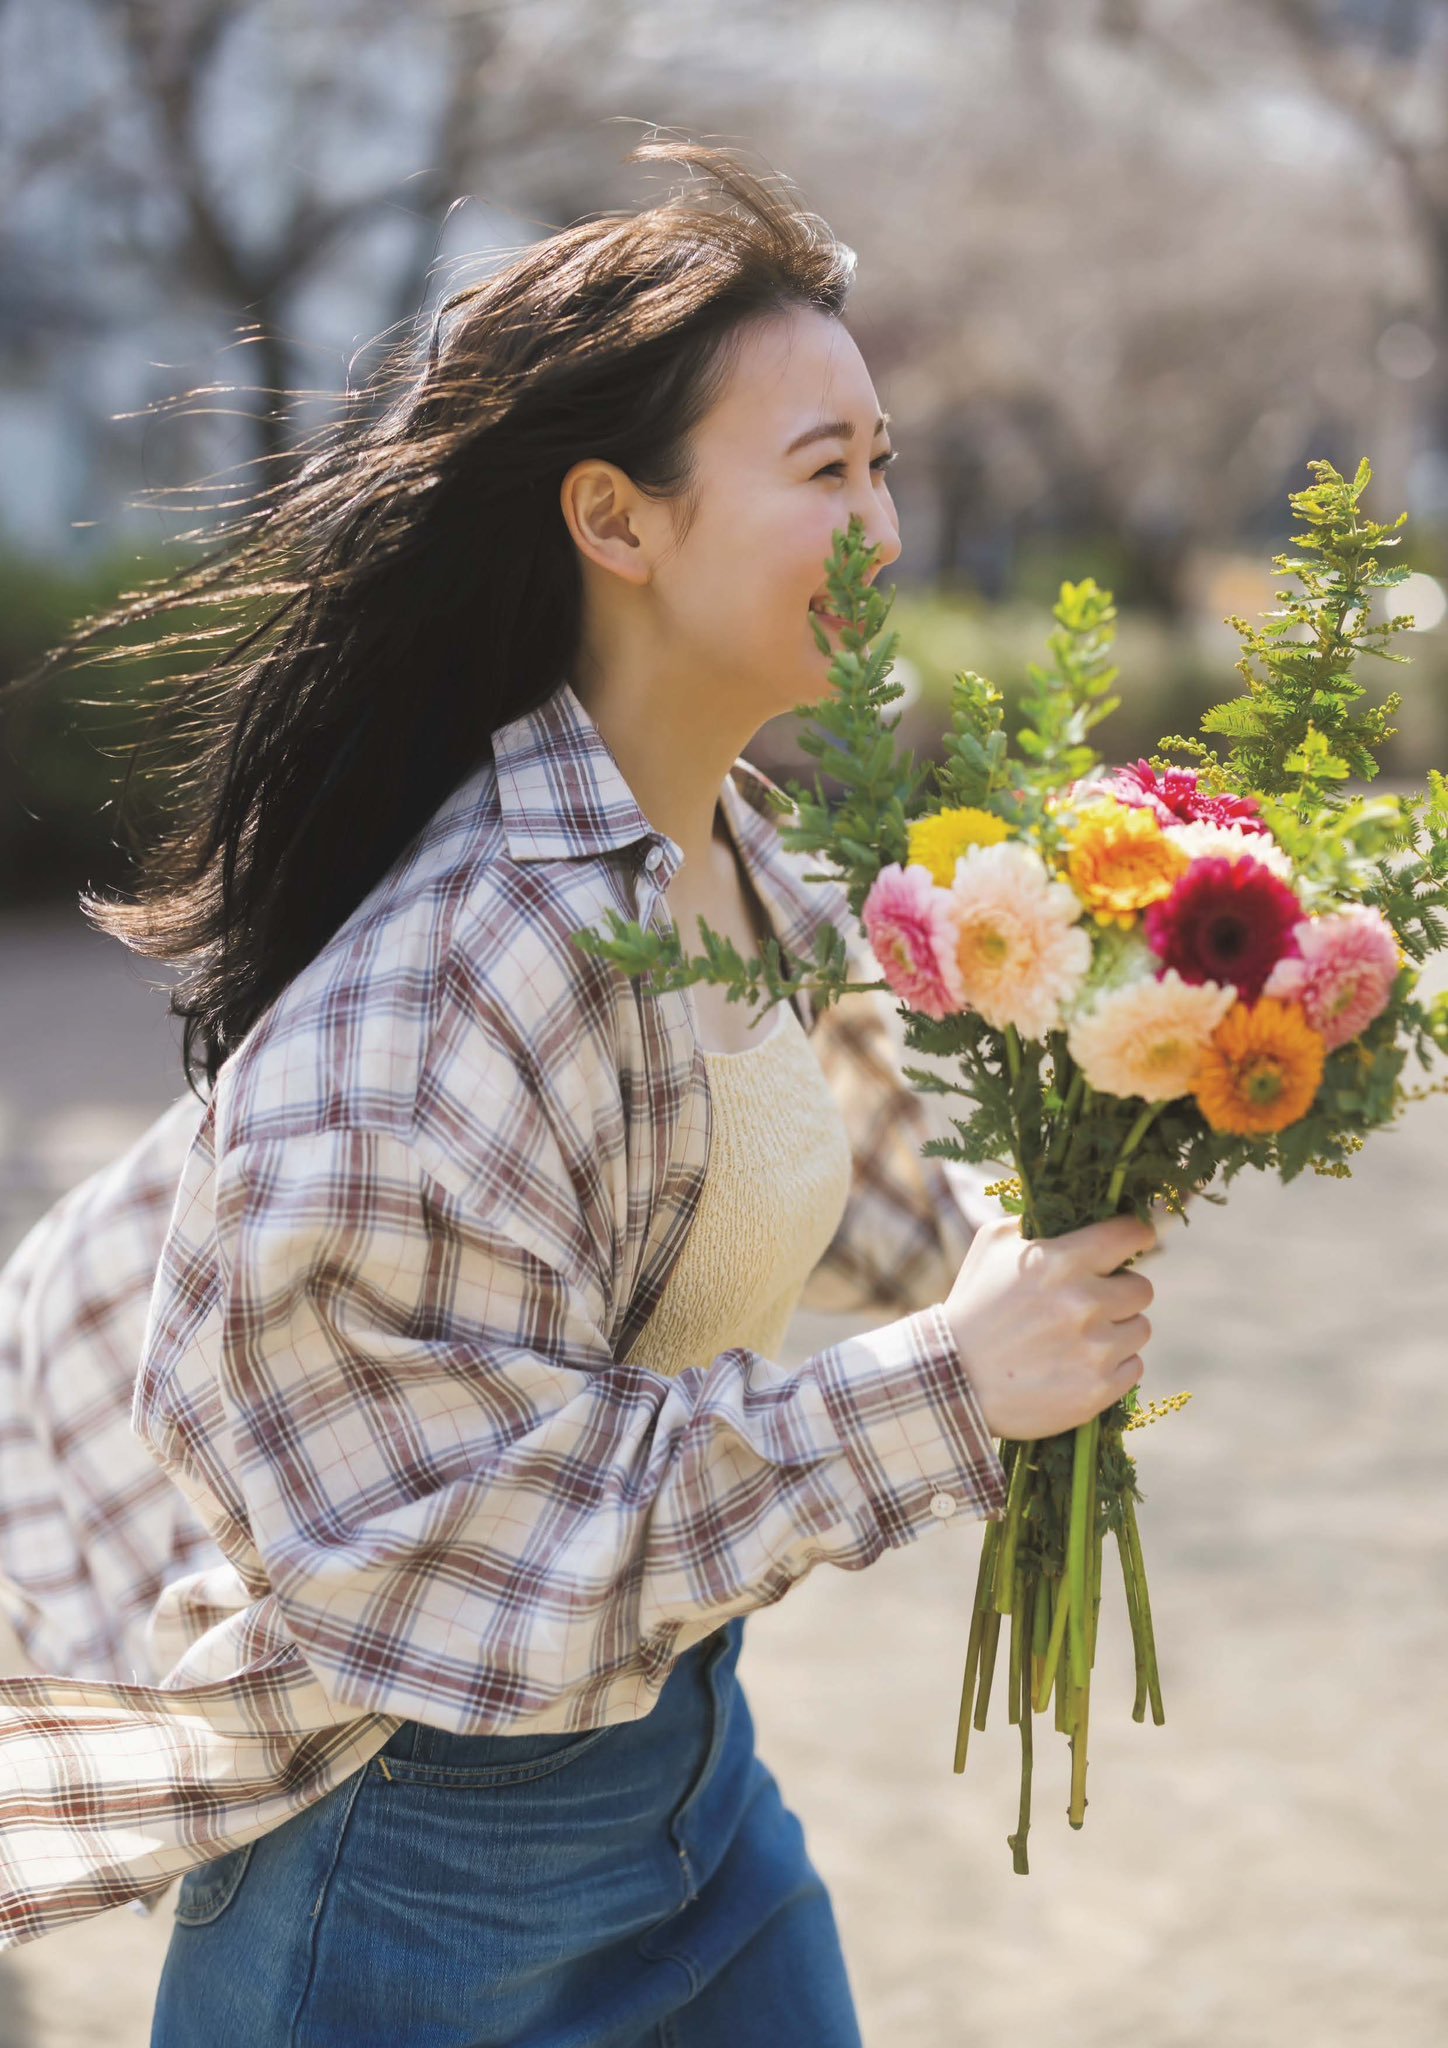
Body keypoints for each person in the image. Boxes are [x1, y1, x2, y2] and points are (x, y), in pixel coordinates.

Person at [0, 136, 1156, 2046]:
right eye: (820, 472)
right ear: (616, 522)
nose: (880, 527)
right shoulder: (455, 975)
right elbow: (467, 1524)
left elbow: (850, 1178)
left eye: (882, 463)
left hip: (693, 1792)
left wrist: (1113, 1135)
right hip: (413, 1872)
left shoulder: (733, 865)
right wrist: (954, 1390)